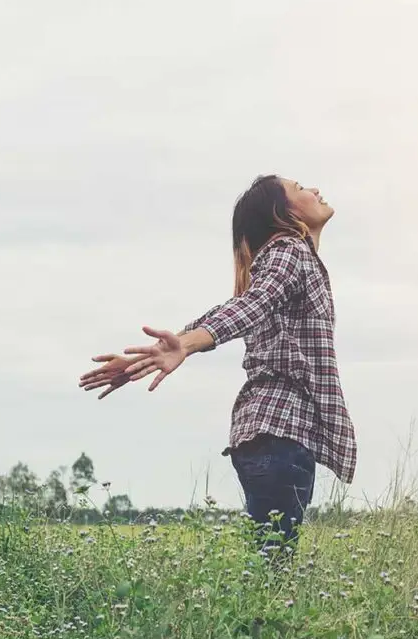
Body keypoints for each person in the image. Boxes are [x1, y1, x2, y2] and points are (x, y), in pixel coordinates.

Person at [77, 175, 357, 559]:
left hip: (272, 434)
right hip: (279, 431)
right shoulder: (289, 251)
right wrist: (186, 347)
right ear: (284, 212)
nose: (315, 189)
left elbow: (234, 308)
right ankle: (258, 620)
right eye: (299, 188)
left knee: (273, 562)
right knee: (275, 569)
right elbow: (250, 306)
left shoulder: (289, 261)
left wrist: (167, 347)